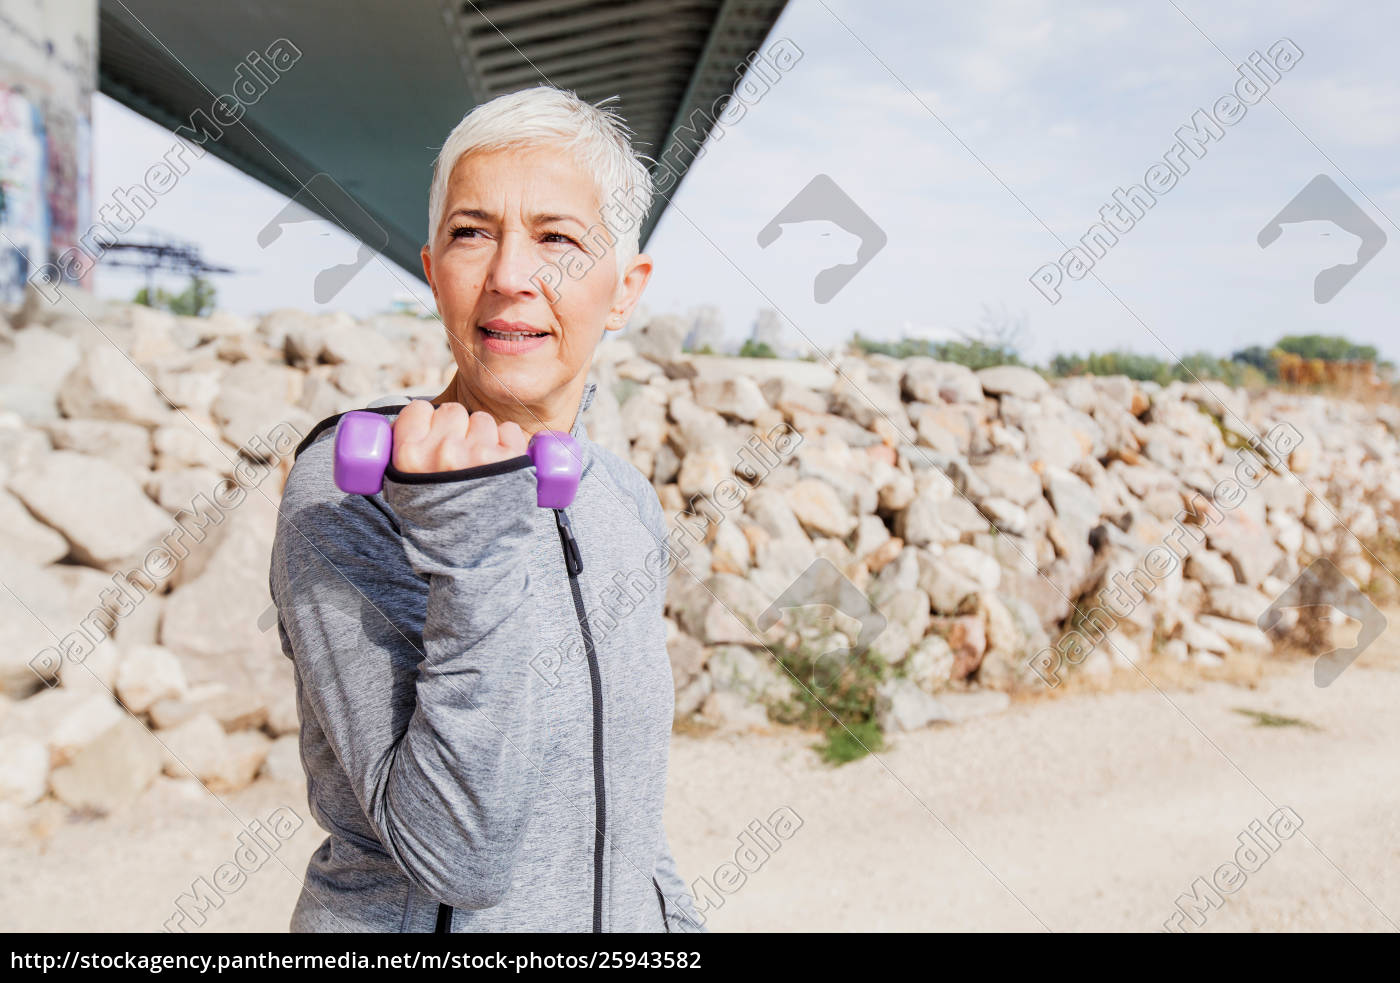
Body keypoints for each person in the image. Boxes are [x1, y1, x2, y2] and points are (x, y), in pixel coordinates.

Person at [268, 84, 705, 933]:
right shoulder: (354, 490)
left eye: (558, 239)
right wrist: (465, 540)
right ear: (435, 275)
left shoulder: (623, 501)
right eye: (472, 234)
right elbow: (457, 854)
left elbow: (631, 823)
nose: (510, 276)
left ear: (625, 290)